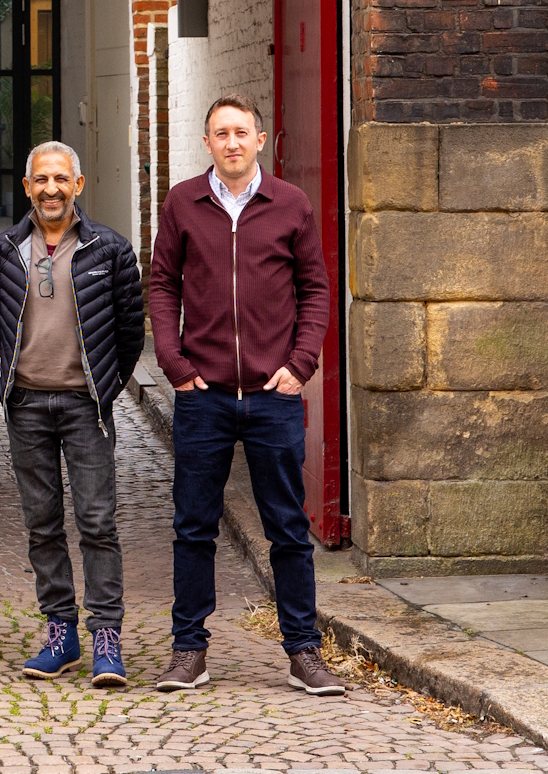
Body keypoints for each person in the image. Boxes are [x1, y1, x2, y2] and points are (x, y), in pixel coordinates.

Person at [146, 94, 343, 697]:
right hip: (202, 393)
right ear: (206, 142)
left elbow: (316, 289)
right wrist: (173, 362)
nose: (231, 142)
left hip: (273, 394)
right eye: (219, 133)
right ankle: (189, 651)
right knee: (193, 526)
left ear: (261, 139)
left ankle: (303, 652)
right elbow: (161, 286)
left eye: (241, 132)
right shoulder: (183, 202)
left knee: (286, 528)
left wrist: (300, 364)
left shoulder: (291, 205)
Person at [0, 140, 143, 688]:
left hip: (85, 408)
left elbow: (128, 331)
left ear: (78, 185)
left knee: (98, 522)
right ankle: (60, 633)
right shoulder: (5, 250)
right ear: (27, 188)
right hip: (25, 404)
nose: (50, 189)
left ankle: (106, 637)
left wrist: (103, 390)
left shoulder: (110, 250)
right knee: (42, 525)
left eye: (61, 179)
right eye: (40, 180)